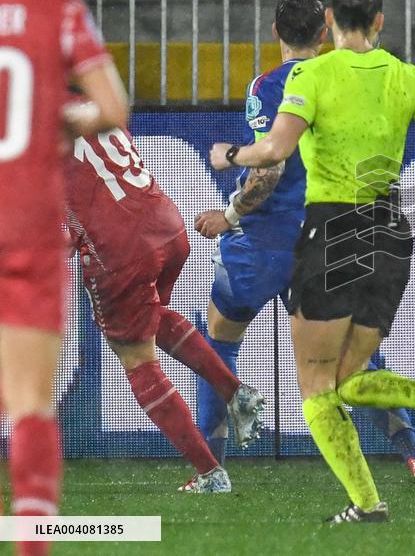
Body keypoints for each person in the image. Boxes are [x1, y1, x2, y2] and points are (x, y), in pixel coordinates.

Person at [209, 0, 415, 523]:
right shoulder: (404, 76)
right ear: (379, 20)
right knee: (349, 378)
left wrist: (229, 156)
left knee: (319, 386)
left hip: (333, 233)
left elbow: (274, 150)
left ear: (329, 20)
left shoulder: (315, 76)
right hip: (391, 235)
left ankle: (368, 503)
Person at [0, 0, 126, 553]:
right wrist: (62, 117)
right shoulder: (54, 5)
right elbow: (111, 107)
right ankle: (31, 546)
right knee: (28, 404)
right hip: (25, 220)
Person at [66, 126, 266, 493]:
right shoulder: (93, 101)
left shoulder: (26, 123)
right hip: (166, 226)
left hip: (120, 248)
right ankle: (237, 394)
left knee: (135, 357)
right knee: (149, 314)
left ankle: (210, 473)